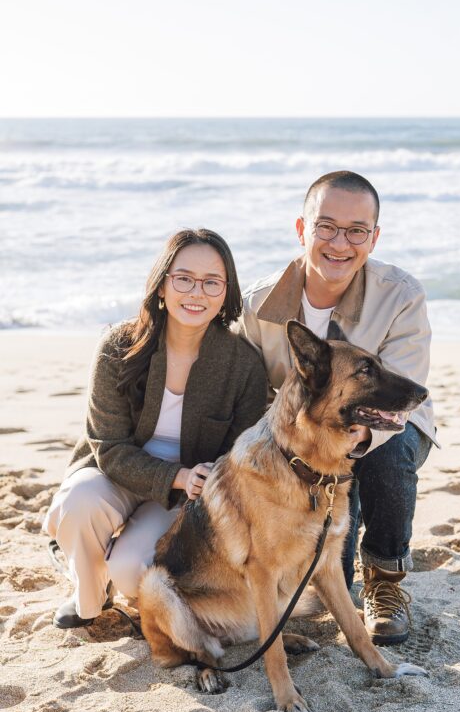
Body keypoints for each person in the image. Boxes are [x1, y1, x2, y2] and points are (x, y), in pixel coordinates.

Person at [238, 170, 436, 646]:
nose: (340, 243)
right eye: (326, 227)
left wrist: (341, 443)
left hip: (387, 427)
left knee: (388, 455)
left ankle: (386, 580)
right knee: (329, 582)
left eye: (356, 231)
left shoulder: (401, 295)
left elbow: (402, 397)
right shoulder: (257, 304)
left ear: (374, 237)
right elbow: (250, 399)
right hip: (297, 446)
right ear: (303, 229)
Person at [44, 229, 269, 629]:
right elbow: (108, 445)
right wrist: (175, 475)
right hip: (114, 470)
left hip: (186, 490)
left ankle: (113, 565)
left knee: (132, 570)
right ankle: (89, 592)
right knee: (79, 503)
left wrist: (195, 480)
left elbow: (241, 449)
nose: (196, 292)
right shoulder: (119, 345)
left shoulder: (244, 364)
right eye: (183, 278)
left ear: (226, 292)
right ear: (162, 284)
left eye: (211, 282)